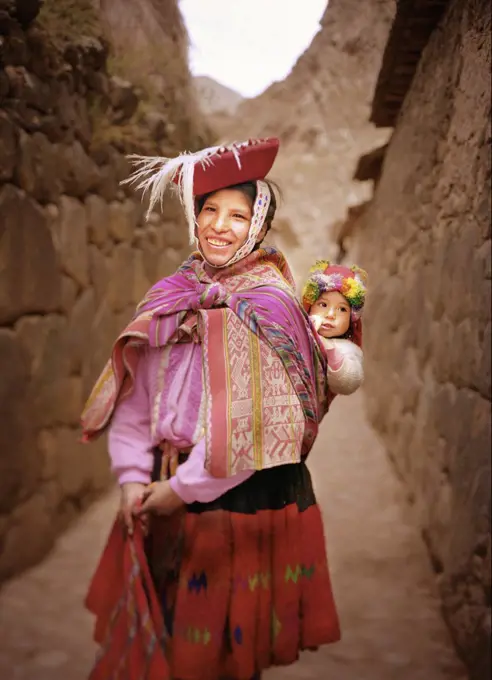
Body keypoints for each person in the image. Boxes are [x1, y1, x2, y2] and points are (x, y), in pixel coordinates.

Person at [81, 138, 364, 680]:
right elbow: (137, 398)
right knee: (160, 644)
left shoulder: (270, 306)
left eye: (237, 215)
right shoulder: (173, 293)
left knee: (219, 660)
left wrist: (179, 491)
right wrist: (132, 477)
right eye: (209, 209)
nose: (219, 225)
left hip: (236, 503)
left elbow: (252, 428)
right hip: (159, 486)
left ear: (258, 227)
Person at [302, 260, 367, 396]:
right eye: (323, 305)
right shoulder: (299, 328)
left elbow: (349, 382)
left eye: (342, 309)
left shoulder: (346, 349)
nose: (330, 315)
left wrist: (327, 348)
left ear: (351, 318)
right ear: (310, 306)